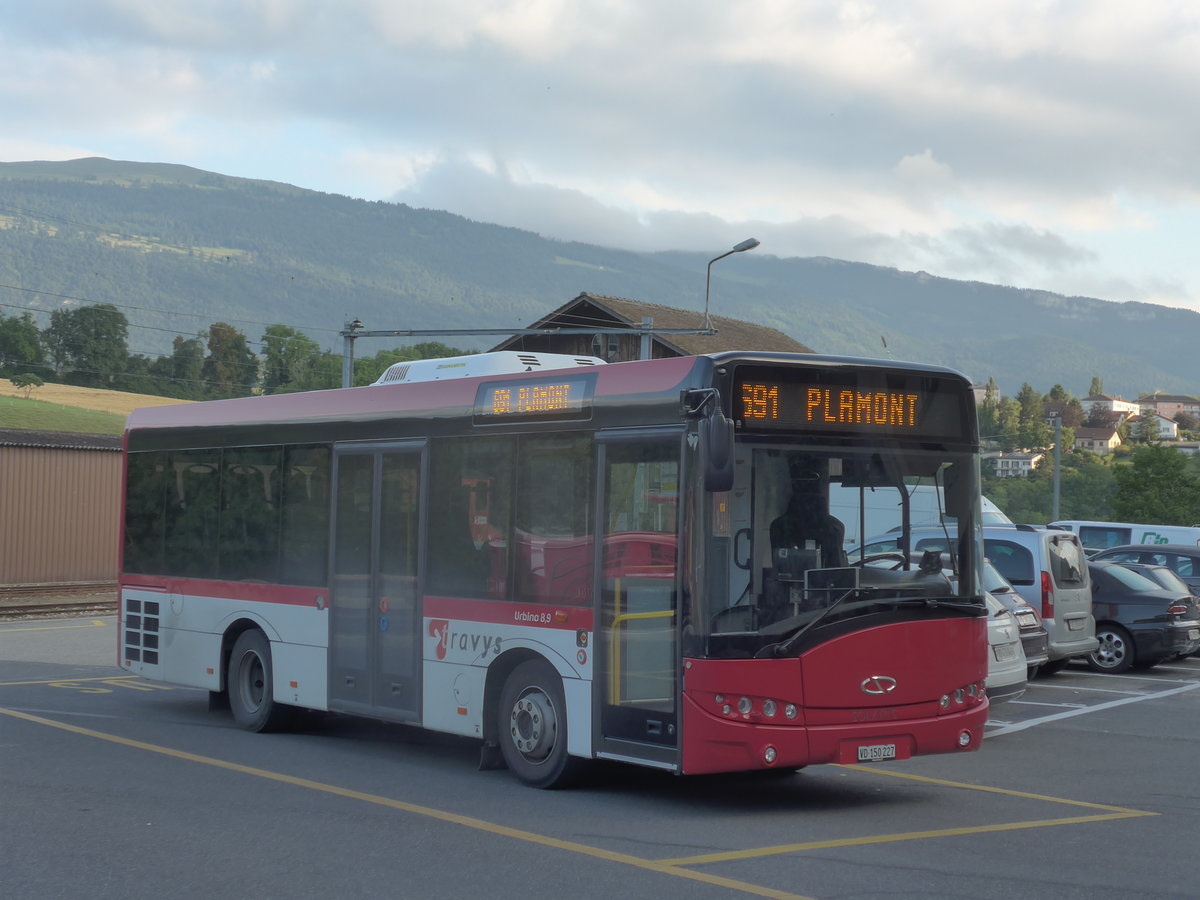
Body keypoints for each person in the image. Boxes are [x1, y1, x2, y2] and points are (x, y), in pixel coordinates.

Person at [769, 462, 848, 570]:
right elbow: (837, 569)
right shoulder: (835, 527)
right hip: (824, 584)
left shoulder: (778, 525)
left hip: (792, 584)